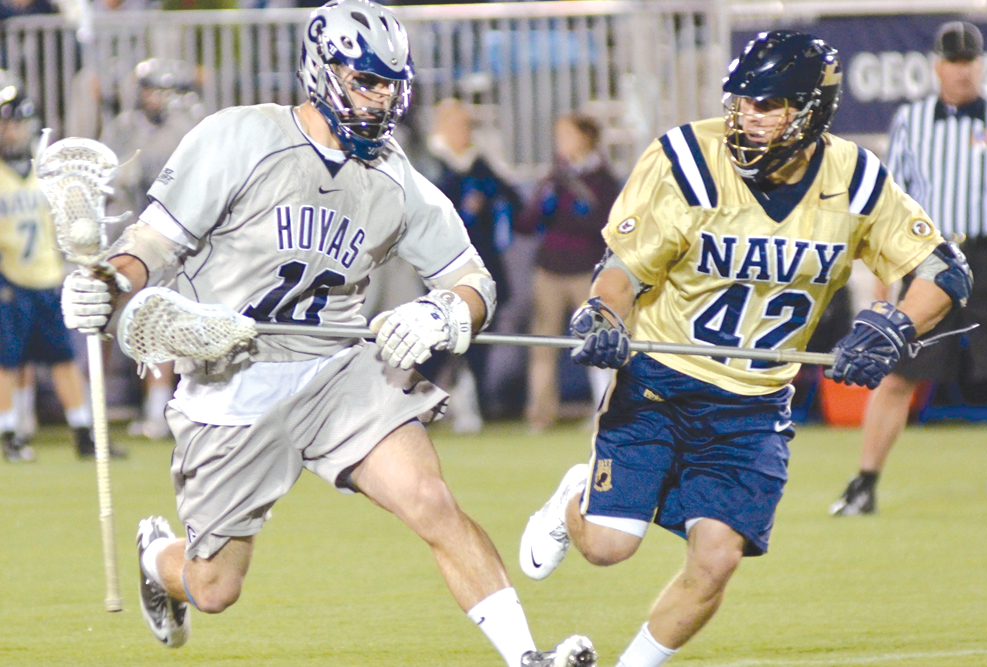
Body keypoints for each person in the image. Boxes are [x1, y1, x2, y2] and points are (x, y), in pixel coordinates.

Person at [59, 2, 594, 666]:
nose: (383, 98)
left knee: (431, 499)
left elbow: (472, 280)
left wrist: (444, 314)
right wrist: (107, 284)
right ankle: (156, 556)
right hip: (232, 379)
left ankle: (525, 655)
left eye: (392, 83)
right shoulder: (241, 137)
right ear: (321, 70)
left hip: (337, 369)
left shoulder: (394, 175)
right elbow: (151, 243)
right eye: (366, 80)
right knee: (215, 585)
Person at [517, 30, 971, 666]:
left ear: (810, 110)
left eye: (767, 105)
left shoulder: (856, 180)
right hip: (661, 379)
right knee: (608, 547)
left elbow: (945, 272)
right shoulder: (685, 157)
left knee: (717, 558)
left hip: (753, 404)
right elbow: (622, 267)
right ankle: (573, 499)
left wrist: (896, 324)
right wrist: (603, 312)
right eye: (742, 103)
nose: (747, 117)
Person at [831, 21, 987, 516]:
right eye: (953, 60)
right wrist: (884, 294)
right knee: (898, 374)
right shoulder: (911, 120)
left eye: (969, 60)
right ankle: (864, 482)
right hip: (932, 259)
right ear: (936, 65)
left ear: (980, 64)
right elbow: (891, 203)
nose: (962, 70)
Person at [0, 72, 125, 461]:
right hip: (10, 279)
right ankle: (9, 434)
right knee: (6, 362)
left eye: (16, 124)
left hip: (48, 277)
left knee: (63, 360)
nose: (12, 132)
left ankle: (84, 433)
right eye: (6, 125)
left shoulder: (44, 172)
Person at [101, 57, 201, 440]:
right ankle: (100, 403)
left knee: (162, 323)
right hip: (129, 237)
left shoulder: (186, 128)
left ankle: (160, 410)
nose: (154, 98)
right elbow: (107, 179)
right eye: (149, 90)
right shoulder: (123, 128)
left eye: (161, 90)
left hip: (174, 242)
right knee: (105, 319)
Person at [515, 113, 620, 432]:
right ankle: (540, 415)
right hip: (550, 270)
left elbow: (605, 226)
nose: (561, 142)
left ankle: (605, 412)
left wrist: (571, 213)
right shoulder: (553, 177)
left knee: (597, 341)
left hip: (587, 271)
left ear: (587, 138)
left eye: (567, 135)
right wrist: (545, 198)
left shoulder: (603, 180)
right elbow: (527, 224)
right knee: (543, 346)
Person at [424, 98, 521, 432]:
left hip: (481, 265)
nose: (463, 132)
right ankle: (422, 406)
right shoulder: (428, 163)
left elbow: (514, 201)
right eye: (456, 124)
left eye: (467, 125)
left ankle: (473, 403)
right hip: (438, 269)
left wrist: (490, 199)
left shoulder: (480, 164)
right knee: (436, 342)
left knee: (478, 340)